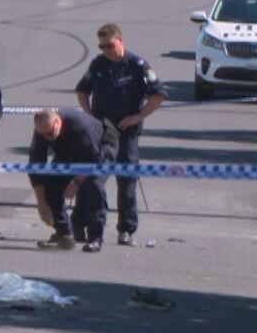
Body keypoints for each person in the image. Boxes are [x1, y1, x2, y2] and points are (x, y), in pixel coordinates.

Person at [75, 22, 165, 245]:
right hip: (103, 132)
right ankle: (87, 225)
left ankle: (126, 229)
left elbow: (159, 94)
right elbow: (81, 90)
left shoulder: (137, 65)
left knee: (127, 181)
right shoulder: (97, 64)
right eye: (102, 46)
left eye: (109, 45)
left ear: (120, 40)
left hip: (127, 132)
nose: (106, 50)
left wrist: (139, 116)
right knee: (95, 180)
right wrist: (90, 116)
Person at [29, 107, 117, 252]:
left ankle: (95, 237)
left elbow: (93, 160)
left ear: (57, 122)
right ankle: (64, 233)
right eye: (43, 135)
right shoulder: (42, 131)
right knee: (51, 186)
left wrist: (75, 183)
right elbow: (36, 167)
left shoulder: (79, 126)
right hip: (68, 149)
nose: (47, 138)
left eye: (50, 133)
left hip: (101, 147)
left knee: (93, 185)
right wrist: (42, 204)